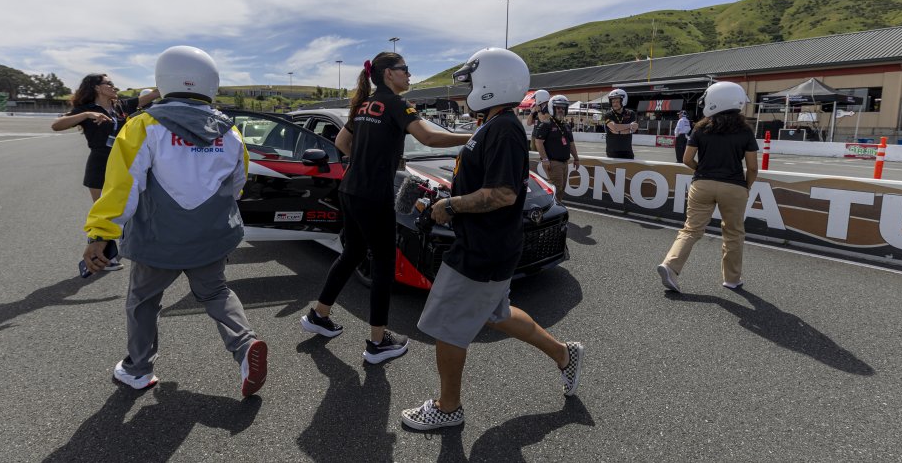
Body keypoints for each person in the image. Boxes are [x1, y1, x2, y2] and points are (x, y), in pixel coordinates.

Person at [401, 47, 584, 431]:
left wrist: (451, 205)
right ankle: (564, 354)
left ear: (489, 83)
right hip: (488, 243)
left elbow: (502, 194)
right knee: (497, 313)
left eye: (471, 81)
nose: (467, 89)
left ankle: (448, 407)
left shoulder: (503, 129)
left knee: (447, 324)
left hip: (483, 248)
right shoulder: (494, 125)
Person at [82, 46, 268, 396]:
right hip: (212, 236)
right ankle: (245, 347)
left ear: (163, 80)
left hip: (158, 239)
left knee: (143, 301)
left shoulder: (143, 125)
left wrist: (100, 234)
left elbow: (122, 187)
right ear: (211, 83)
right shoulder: (231, 132)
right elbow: (238, 184)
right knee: (216, 292)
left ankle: (138, 369)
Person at [300, 52, 472, 364]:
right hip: (373, 195)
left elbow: (341, 142)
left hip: (350, 188)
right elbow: (428, 137)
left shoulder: (364, 104)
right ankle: (378, 342)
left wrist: (367, 160)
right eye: (405, 69)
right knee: (383, 265)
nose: (409, 74)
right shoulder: (396, 103)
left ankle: (319, 315)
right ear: (389, 74)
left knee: (352, 253)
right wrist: (474, 137)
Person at [657, 81, 758, 293]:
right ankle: (732, 279)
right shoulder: (745, 131)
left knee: (691, 229)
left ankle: (670, 266)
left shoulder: (700, 128)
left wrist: (701, 170)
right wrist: (746, 187)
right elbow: (752, 167)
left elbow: (687, 159)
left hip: (702, 184)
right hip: (734, 186)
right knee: (733, 233)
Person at [51, 75, 159, 203]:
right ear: (97, 88)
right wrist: (86, 115)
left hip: (125, 163)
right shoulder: (86, 110)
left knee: (129, 209)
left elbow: (154, 94)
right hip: (99, 166)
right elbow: (56, 125)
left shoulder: (121, 106)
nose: (114, 87)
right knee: (102, 209)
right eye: (109, 83)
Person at [532, 94, 579, 203]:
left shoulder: (566, 125)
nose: (561, 110)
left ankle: (557, 207)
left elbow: (571, 143)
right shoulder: (546, 124)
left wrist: (576, 158)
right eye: (558, 108)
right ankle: (552, 208)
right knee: (556, 187)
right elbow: (538, 142)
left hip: (565, 162)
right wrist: (545, 159)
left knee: (561, 188)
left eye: (563, 108)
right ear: (552, 108)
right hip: (553, 162)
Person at [603, 88, 637, 159]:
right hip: (612, 152)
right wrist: (629, 126)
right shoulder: (608, 115)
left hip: (627, 151)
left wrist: (617, 131)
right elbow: (614, 127)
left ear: (623, 101)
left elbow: (633, 129)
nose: (614, 104)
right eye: (613, 102)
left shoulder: (631, 113)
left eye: (617, 101)